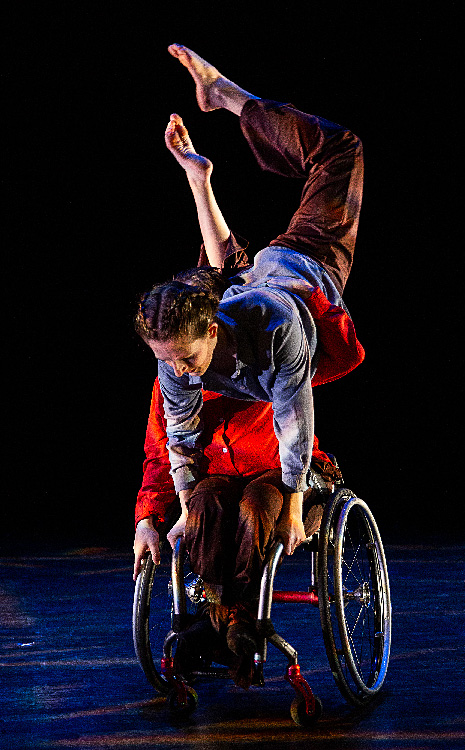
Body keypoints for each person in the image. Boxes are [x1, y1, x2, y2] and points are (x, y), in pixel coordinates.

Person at [135, 44, 364, 567]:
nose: (176, 367)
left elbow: (294, 415)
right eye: (168, 358)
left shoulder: (268, 326)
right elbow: (166, 442)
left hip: (301, 267)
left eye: (183, 357)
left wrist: (297, 499)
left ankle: (227, 96)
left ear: (211, 330)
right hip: (256, 281)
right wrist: (166, 513)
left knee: (341, 151)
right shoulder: (178, 354)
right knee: (232, 278)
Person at [133, 367, 338, 686]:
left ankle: (229, 620)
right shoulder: (174, 378)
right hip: (218, 477)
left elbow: (341, 359)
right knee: (204, 504)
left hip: (282, 472)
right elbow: (162, 454)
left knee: (255, 505)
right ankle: (223, 618)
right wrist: (147, 520)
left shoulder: (266, 356)